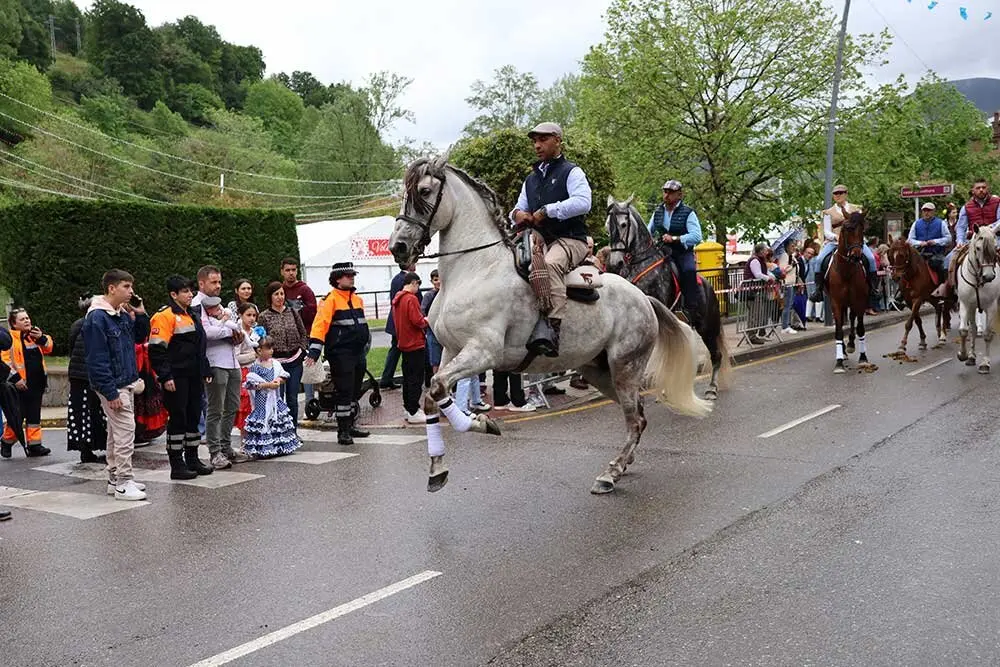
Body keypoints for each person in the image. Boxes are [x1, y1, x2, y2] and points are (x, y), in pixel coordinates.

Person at [510, 122, 592, 357]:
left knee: (550, 265)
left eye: (543, 140)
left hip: (570, 239)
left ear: (557, 140)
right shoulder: (531, 179)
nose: (537, 145)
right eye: (534, 141)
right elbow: (517, 208)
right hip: (538, 239)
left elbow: (584, 202)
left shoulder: (572, 171)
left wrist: (548, 210)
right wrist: (518, 214)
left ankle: (552, 330)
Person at [83, 269, 151, 501]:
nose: (131, 291)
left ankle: (115, 478)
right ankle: (123, 481)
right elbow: (96, 359)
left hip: (125, 380)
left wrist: (140, 313)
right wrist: (110, 391)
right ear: (112, 288)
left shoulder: (120, 314)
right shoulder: (97, 318)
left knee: (116, 431)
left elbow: (140, 336)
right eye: (126, 287)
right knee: (125, 431)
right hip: (113, 384)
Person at [148, 275, 213, 480]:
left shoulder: (191, 313)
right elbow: (157, 350)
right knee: (178, 419)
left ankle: (193, 459)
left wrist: (205, 369)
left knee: (193, 417)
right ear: (173, 294)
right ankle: (177, 464)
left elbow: (199, 347)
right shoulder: (164, 316)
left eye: (190, 291)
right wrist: (165, 376)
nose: (190, 294)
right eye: (185, 291)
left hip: (193, 375)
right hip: (176, 377)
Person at [306, 262, 371, 445]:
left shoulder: (357, 299)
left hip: (358, 353)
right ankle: (343, 431)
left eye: (353, 274)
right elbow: (320, 325)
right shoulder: (330, 300)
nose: (352, 277)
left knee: (354, 392)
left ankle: (350, 425)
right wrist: (314, 351)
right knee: (344, 391)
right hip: (341, 354)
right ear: (337, 279)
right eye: (348, 275)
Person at [199, 295, 249, 469]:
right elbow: (208, 334)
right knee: (215, 408)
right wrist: (229, 332)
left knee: (232, 406)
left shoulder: (222, 312)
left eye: (219, 282)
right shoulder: (200, 308)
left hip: (232, 361)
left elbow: (238, 331)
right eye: (214, 282)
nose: (217, 285)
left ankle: (226, 446)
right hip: (215, 363)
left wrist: (235, 335)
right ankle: (215, 451)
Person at [648, 179, 705, 328]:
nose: (666, 195)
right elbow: (649, 231)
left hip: (681, 252)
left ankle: (691, 308)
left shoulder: (688, 213)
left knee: (689, 270)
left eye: (670, 192)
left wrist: (675, 238)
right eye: (665, 192)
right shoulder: (658, 212)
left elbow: (697, 236)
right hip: (662, 251)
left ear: (679, 195)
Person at [809, 184, 876, 302]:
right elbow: (826, 231)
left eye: (841, 193)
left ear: (846, 193)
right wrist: (837, 237)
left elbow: (861, 227)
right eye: (835, 193)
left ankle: (873, 288)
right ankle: (818, 290)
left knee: (870, 258)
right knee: (819, 260)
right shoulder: (828, 212)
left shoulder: (856, 209)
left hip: (855, 242)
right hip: (834, 242)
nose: (838, 195)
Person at [1, 308, 53, 457]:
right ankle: (6, 441)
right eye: (23, 319)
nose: (27, 321)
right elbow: (5, 361)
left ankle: (35, 445)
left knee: (34, 416)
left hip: (36, 383)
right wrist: (16, 379)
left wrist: (41, 337)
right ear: (13, 323)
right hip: (19, 385)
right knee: (18, 415)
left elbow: (49, 347)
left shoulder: (34, 336)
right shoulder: (9, 339)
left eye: (28, 318)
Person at [936, 179, 1000, 298]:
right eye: (978, 188)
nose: (981, 189)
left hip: (995, 238)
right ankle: (949, 289)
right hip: (973, 241)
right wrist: (959, 241)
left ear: (987, 189)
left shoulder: (997, 202)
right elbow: (961, 227)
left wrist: (989, 229)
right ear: (973, 190)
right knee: (948, 260)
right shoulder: (967, 207)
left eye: (983, 187)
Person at [258, 281, 308, 427]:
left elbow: (303, 333)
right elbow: (261, 340)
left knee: (292, 398)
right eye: (276, 294)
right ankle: (278, 430)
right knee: (277, 398)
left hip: (294, 361)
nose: (280, 297)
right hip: (275, 364)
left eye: (282, 294)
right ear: (270, 297)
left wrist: (302, 350)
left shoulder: (292, 312)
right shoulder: (264, 316)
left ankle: (293, 431)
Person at [242, 337, 301, 458]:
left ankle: (279, 445)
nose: (271, 351)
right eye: (268, 348)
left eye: (272, 348)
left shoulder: (276, 363)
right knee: (264, 421)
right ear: (259, 351)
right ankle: (264, 447)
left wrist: (278, 380)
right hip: (262, 401)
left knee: (277, 420)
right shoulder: (255, 366)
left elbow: (284, 375)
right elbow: (251, 384)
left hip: (275, 399)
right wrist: (267, 385)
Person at [67, 297, 108, 464]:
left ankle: (87, 449)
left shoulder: (79, 323)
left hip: (79, 374)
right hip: (85, 375)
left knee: (85, 413)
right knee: (89, 412)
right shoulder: (89, 324)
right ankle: (87, 449)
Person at [391, 272, 429, 424]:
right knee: (416, 378)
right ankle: (413, 410)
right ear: (413, 283)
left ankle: (408, 408)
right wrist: (427, 320)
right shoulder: (411, 299)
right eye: (418, 284)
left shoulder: (398, 299)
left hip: (404, 342)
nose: (418, 288)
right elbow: (417, 321)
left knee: (407, 378)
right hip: (415, 343)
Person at [280, 258, 318, 403]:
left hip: (305, 336)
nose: (291, 273)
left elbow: (313, 312)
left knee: (307, 369)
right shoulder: (280, 290)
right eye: (288, 270)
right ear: (282, 271)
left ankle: (310, 403)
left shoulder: (305, 289)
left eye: (294, 270)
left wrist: (299, 311)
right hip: (285, 340)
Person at [379, 264, 413, 389]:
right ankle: (392, 378)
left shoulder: (397, 278)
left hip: (396, 321)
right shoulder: (406, 279)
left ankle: (386, 378)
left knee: (395, 350)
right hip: (401, 322)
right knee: (403, 351)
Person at [235, 302, 262, 435]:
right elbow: (236, 357)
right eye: (248, 315)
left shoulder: (256, 332)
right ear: (240, 315)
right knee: (245, 408)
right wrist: (254, 355)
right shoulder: (238, 333)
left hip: (257, 371)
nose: (252, 318)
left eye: (254, 315)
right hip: (244, 373)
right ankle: (244, 441)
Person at [907, 202, 951, 282]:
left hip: (936, 255)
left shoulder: (941, 223)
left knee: (943, 267)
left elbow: (948, 239)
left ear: (933, 212)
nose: (926, 213)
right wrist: (920, 243)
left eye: (929, 210)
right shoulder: (916, 223)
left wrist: (935, 241)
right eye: (924, 211)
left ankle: (943, 286)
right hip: (919, 254)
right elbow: (910, 240)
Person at [743, 242, 777, 345]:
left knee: (758, 313)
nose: (767, 252)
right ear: (761, 251)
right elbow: (758, 274)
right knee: (755, 314)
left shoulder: (761, 260)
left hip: (758, 291)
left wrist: (772, 277)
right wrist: (768, 279)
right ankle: (751, 336)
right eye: (766, 250)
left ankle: (754, 334)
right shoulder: (755, 261)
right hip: (753, 292)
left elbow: (765, 272)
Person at [421, 269, 442, 377]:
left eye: (440, 279)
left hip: (446, 331)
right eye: (435, 280)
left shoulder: (446, 293)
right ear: (432, 281)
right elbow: (422, 311)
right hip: (433, 332)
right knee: (435, 360)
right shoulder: (429, 296)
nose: (438, 282)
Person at [778, 240, 799, 335]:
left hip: (792, 283)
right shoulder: (784, 256)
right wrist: (792, 266)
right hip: (786, 283)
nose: (794, 248)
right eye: (792, 246)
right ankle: (785, 326)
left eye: (794, 246)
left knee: (789, 305)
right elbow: (782, 270)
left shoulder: (791, 256)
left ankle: (787, 324)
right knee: (787, 305)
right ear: (786, 247)